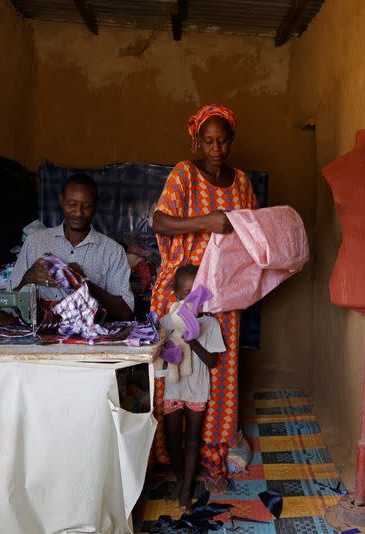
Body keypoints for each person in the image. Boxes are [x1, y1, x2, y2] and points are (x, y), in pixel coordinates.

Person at [151, 104, 258, 494]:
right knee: (173, 371)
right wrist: (208, 222)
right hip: (181, 290)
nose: (216, 148)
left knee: (218, 370)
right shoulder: (184, 173)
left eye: (223, 140)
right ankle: (169, 455)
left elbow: (253, 235)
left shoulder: (243, 183)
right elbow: (160, 221)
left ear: (232, 139)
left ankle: (211, 450)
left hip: (224, 292)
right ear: (198, 139)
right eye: (208, 141)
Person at [9, 174, 134, 321]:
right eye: (72, 204)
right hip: (38, 336)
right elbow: (8, 304)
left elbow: (126, 313)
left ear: (95, 205)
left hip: (88, 339)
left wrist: (84, 284)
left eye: (86, 206)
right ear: (61, 200)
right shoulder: (35, 242)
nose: (79, 213)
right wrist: (27, 278)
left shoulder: (113, 251)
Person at [162, 265, 225, 508]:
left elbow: (213, 361)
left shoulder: (210, 324)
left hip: (197, 389)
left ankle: (186, 490)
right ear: (175, 293)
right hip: (174, 388)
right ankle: (180, 479)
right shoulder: (167, 320)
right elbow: (161, 355)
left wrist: (194, 341)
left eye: (195, 293)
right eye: (185, 293)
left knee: (191, 440)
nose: (190, 299)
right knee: (172, 439)